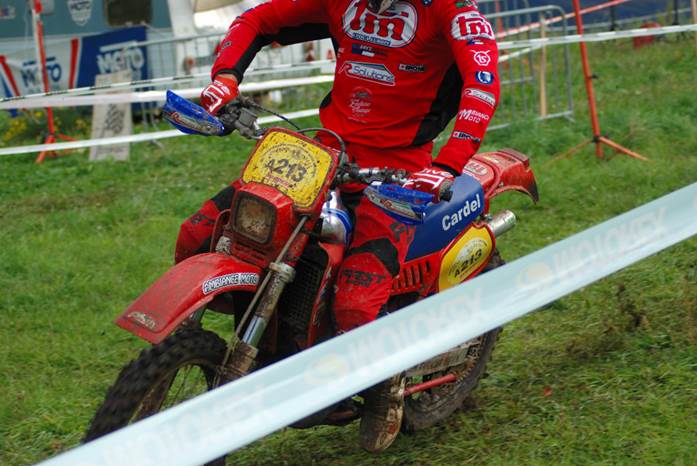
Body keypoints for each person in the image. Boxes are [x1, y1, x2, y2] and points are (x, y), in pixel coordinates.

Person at [176, 0, 499, 452]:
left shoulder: (454, 12)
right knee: (197, 233)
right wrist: (225, 78)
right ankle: (230, 340)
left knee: (356, 301)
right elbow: (257, 19)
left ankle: (386, 391)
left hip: (400, 172)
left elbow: (483, 88)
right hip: (322, 153)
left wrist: (446, 165)